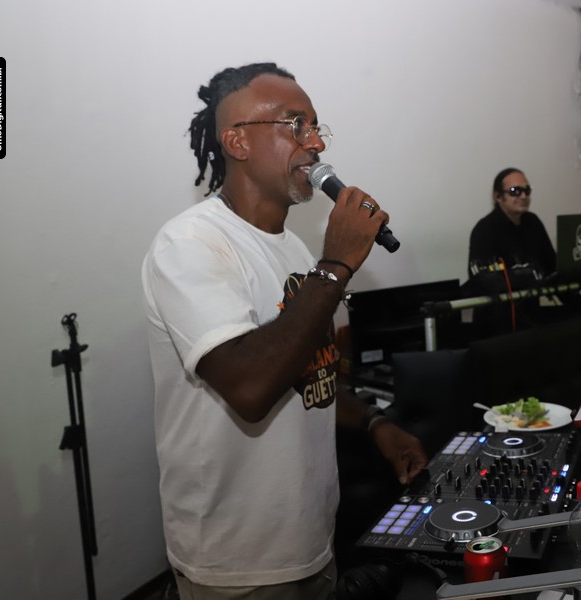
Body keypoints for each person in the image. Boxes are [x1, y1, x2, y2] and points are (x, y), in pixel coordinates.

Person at [141, 63, 427, 600]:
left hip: (313, 540)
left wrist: (374, 423)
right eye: (297, 125)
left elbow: (309, 375)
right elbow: (251, 388)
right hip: (236, 564)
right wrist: (337, 265)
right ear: (237, 142)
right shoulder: (190, 245)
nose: (316, 143)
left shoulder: (296, 251)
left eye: (316, 127)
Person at [468, 167, 556, 277]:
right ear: (498, 196)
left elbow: (553, 266)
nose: (523, 196)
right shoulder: (484, 230)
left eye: (527, 190)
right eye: (515, 191)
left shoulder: (533, 221)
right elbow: (481, 280)